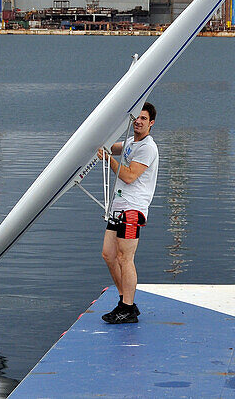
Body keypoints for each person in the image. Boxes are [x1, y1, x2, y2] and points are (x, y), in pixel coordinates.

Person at [98, 102, 159, 324]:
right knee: (108, 254)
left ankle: (127, 308)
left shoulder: (147, 148)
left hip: (133, 209)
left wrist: (109, 160)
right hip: (118, 206)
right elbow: (114, 146)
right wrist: (97, 143)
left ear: (151, 123)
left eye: (143, 119)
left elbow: (130, 176)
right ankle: (125, 301)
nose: (138, 122)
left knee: (125, 258)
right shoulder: (132, 142)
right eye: (136, 118)